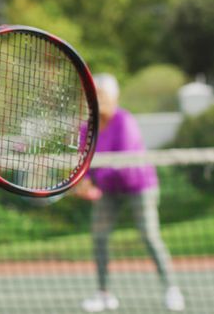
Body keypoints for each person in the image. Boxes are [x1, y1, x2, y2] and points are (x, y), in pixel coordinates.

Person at [74, 73, 185, 312]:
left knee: (149, 235)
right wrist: (83, 183)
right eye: (94, 95)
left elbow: (122, 164)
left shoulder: (124, 121)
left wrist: (95, 182)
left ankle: (171, 289)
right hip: (108, 190)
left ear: (114, 97)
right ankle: (104, 294)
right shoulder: (86, 129)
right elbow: (85, 163)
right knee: (99, 237)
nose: (98, 99)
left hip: (139, 185)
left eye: (103, 95)